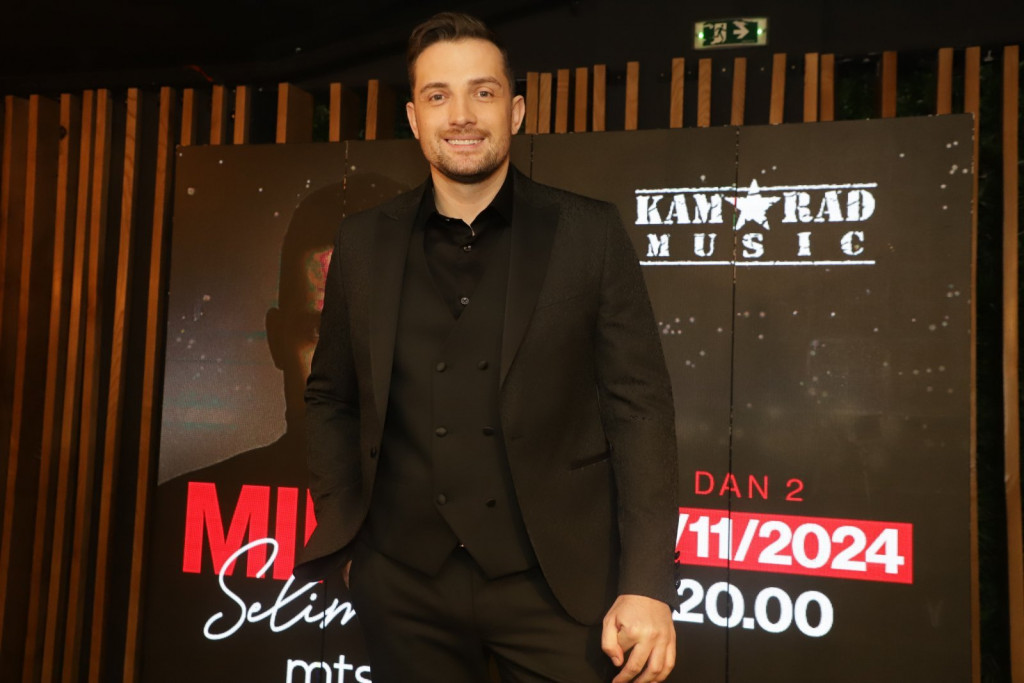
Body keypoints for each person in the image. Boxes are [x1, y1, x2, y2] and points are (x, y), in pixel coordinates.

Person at [295, 11, 679, 683]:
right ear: (414, 119)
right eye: (438, 95)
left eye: (483, 91)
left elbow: (639, 411)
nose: (462, 115)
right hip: (402, 585)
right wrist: (346, 528)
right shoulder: (362, 240)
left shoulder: (589, 233)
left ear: (516, 110)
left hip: (558, 588)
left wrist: (647, 583)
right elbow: (331, 396)